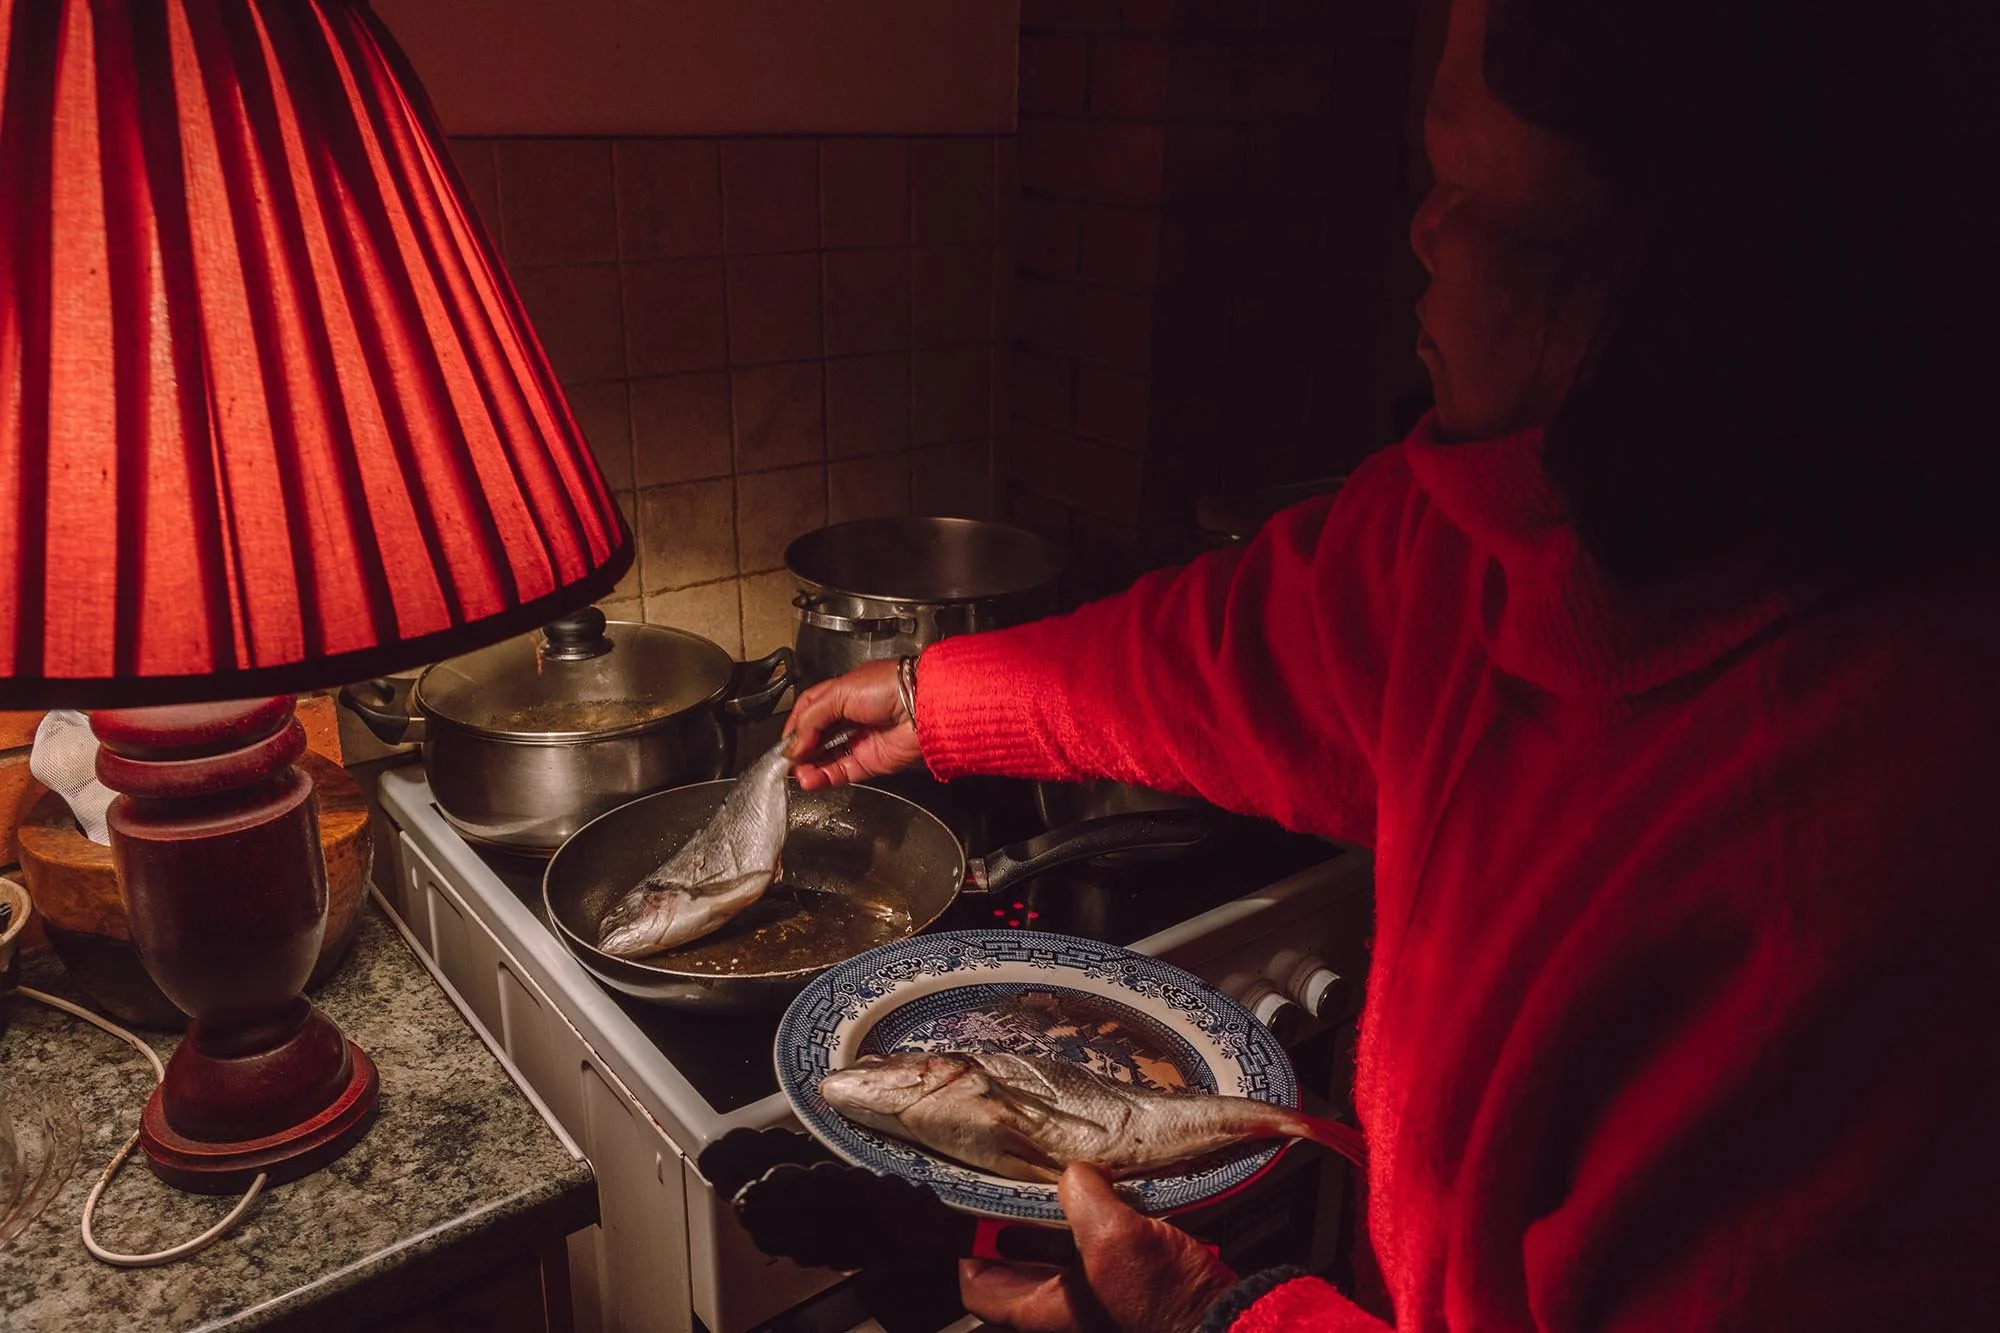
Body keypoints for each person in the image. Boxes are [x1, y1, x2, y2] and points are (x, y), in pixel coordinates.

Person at [783, 0, 2000, 1328]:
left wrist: (1209, 1319)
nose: (1419, 229)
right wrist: (938, 696)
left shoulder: (1858, 860)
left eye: (1466, 187)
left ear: (1691, 266)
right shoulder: (1479, 526)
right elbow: (1231, 651)